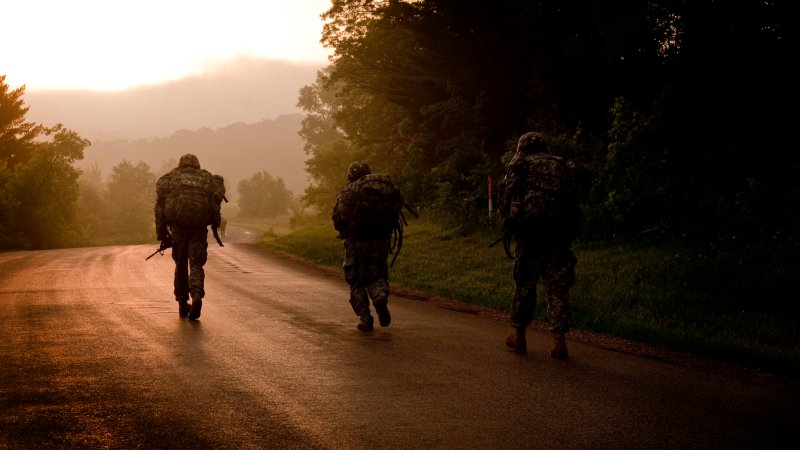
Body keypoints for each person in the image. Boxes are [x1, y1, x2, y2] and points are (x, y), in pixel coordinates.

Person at [498, 132, 584, 358]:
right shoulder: (561, 165)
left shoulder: (521, 164)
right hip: (558, 236)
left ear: (522, 148)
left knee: (524, 285)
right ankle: (559, 341)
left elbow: (507, 201)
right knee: (558, 289)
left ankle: (520, 337)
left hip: (528, 237)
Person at [154, 153, 225, 320]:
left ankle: (182, 303)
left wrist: (161, 233)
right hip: (199, 228)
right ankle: (197, 294)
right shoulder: (207, 178)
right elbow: (216, 202)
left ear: (181, 164)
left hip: (178, 228)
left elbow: (159, 207)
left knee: (180, 263)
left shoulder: (170, 178)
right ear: (197, 164)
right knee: (196, 263)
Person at [331, 161, 399, 332]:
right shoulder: (386, 189)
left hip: (357, 243)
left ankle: (366, 319)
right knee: (377, 275)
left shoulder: (349, 191)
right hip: (380, 241)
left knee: (357, 281)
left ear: (351, 175)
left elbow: (339, 220)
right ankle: (379, 298)